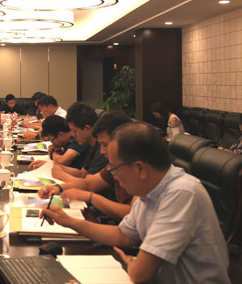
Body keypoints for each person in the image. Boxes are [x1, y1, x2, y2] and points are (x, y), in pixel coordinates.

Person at [42, 122, 231, 284]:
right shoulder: (149, 190)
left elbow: (140, 273)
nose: (114, 176)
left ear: (140, 168)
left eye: (115, 169)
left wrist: (131, 263)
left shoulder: (181, 193)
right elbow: (122, 236)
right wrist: (68, 221)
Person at [38, 111, 135, 220]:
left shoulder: (136, 168)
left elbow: (131, 213)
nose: (102, 151)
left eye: (105, 145)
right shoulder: (114, 165)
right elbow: (89, 183)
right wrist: (57, 188)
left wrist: (91, 197)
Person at [51, 102, 107, 180]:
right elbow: (82, 173)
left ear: (87, 128)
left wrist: (63, 176)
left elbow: (88, 183)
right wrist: (53, 166)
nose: (73, 135)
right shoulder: (92, 145)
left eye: (75, 131)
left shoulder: (102, 150)